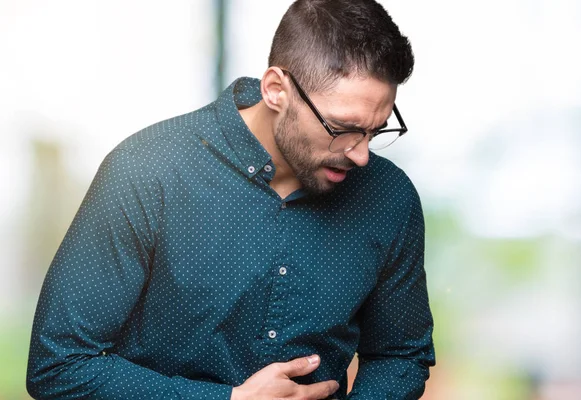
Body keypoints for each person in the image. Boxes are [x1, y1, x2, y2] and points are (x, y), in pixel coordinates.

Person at [26, 0, 435, 398]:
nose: (361, 154)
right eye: (342, 128)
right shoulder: (147, 170)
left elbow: (399, 356)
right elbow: (59, 365)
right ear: (276, 89)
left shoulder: (389, 198)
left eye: (376, 130)